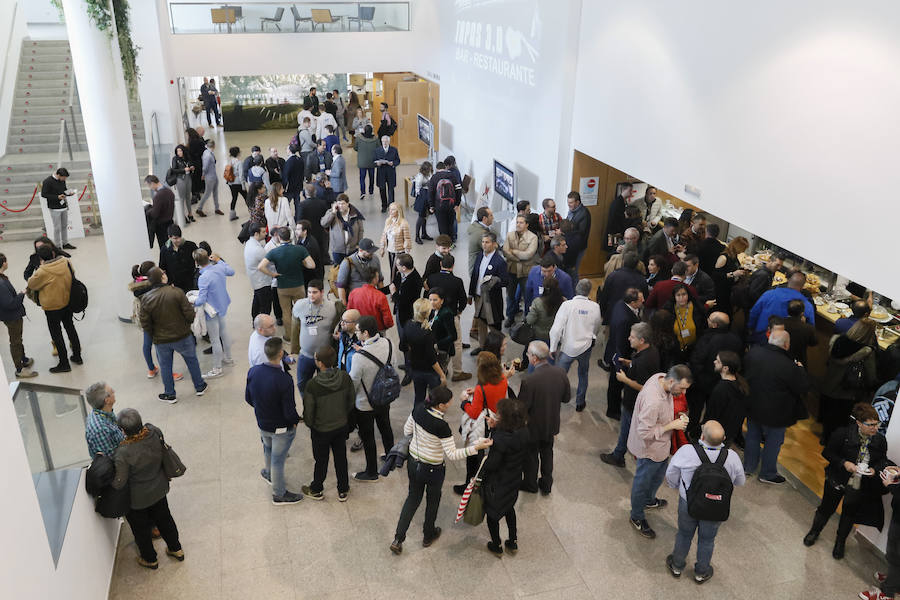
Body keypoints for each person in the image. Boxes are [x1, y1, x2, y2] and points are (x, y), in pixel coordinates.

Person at [390, 385, 492, 555]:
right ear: (441, 405)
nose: (451, 405)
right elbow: (452, 454)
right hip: (433, 469)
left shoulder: (418, 410)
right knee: (432, 500)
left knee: (412, 499)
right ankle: (428, 534)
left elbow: (407, 430)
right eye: (449, 403)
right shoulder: (441, 426)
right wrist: (476, 448)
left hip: (414, 463)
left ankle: (398, 538)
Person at [664, 420, 746, 583]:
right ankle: (701, 572)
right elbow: (739, 482)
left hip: (688, 502)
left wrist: (675, 486)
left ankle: (677, 565)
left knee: (684, 534)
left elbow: (671, 473)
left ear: (702, 436)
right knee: (707, 539)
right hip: (715, 506)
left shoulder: (687, 451)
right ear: (723, 439)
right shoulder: (732, 457)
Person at [804, 402, 888, 560]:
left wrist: (874, 470)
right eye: (870, 425)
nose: (875, 428)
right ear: (858, 423)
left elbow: (882, 460)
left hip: (859, 486)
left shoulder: (880, 441)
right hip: (837, 479)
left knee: (849, 514)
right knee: (826, 509)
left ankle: (840, 543)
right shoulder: (842, 434)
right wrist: (844, 463)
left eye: (877, 424)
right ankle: (814, 532)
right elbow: (827, 453)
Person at [111, 408, 183, 569]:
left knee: (141, 530)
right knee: (165, 520)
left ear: (123, 430)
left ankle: (150, 559)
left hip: (138, 500)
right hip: (159, 489)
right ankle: (176, 549)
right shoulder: (154, 432)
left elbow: (120, 482)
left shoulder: (123, 452)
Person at [627, 364, 692, 539]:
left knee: (656, 478)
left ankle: (649, 500)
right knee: (642, 483)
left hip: (662, 447)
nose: (684, 393)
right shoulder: (654, 401)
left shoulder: (660, 377)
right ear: (672, 381)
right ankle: (637, 516)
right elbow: (644, 432)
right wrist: (671, 425)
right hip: (650, 450)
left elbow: (662, 414)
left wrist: (677, 417)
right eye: (683, 388)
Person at [743, 330, 810, 484]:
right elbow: (802, 387)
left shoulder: (754, 353)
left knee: (752, 436)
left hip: (753, 404)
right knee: (773, 442)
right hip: (777, 412)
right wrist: (800, 369)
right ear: (786, 345)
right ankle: (767, 473)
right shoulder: (789, 366)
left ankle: (748, 466)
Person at [245, 337, 303, 505]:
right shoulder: (284, 380)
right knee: (278, 459)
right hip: (281, 428)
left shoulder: (253, 371)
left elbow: (248, 398)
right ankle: (279, 493)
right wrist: (294, 421)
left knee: (267, 448)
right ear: (280, 354)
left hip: (263, 423)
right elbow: (289, 409)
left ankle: (269, 474)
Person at [139, 267, 207, 403]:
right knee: (192, 360)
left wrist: (154, 334)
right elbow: (189, 314)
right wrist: (186, 325)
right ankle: (199, 386)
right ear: (162, 278)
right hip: (183, 335)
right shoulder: (176, 292)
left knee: (165, 366)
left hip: (161, 340)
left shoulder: (146, 299)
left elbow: (145, 323)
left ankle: (170, 394)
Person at [602, 322, 661, 468]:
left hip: (634, 403)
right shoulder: (649, 351)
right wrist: (628, 363)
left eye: (632, 337)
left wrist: (625, 379)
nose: (629, 338)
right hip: (634, 401)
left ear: (642, 340)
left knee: (626, 429)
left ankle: (618, 456)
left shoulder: (644, 361)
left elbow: (643, 386)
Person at [301, 346, 355, 501]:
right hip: (341, 426)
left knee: (321, 460)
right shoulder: (344, 377)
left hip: (321, 430)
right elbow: (351, 401)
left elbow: (309, 413)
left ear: (320, 363)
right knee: (341, 457)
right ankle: (343, 489)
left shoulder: (312, 385)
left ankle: (317, 489)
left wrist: (312, 425)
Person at [452, 351, 509, 495]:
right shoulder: (503, 378)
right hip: (496, 421)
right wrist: (476, 393)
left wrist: (464, 401)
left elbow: (474, 412)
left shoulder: (481, 387)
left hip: (482, 426)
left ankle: (469, 486)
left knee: (474, 457)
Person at [518, 341, 570, 494]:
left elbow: (522, 408)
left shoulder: (529, 381)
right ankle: (546, 484)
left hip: (533, 426)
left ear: (534, 358)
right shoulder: (561, 373)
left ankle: (530, 484)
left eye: (528, 353)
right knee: (547, 452)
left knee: (531, 455)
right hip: (551, 423)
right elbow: (566, 398)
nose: (527, 356)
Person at [483, 397, 530, 556]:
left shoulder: (500, 440)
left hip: (498, 483)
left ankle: (496, 545)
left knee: (492, 515)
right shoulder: (524, 431)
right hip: (514, 479)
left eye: (499, 414)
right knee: (509, 508)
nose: (496, 415)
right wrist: (497, 428)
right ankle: (513, 540)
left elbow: (491, 464)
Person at [350, 315, 394, 482]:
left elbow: (353, 383)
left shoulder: (358, 358)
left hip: (365, 403)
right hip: (384, 398)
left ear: (366, 333)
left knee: (368, 438)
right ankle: (391, 457)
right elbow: (392, 365)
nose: (356, 334)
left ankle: (371, 472)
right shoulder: (388, 343)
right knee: (385, 427)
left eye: (358, 332)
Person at [819, 319, 879, 443]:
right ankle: (833, 442)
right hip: (846, 391)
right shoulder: (866, 352)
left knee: (828, 415)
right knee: (840, 420)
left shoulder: (837, 341)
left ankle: (824, 437)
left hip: (828, 385)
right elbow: (871, 375)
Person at [26, 245, 81, 373]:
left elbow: (31, 284)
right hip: (67, 302)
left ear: (41, 258)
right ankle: (77, 356)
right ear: (53, 253)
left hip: (52, 308)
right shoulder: (66, 262)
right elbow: (73, 274)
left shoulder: (42, 271)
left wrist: (40, 266)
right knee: (70, 328)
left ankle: (64, 363)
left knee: (57, 334)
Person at [549, 279, 602, 412]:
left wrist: (553, 348)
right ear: (589, 291)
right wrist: (592, 336)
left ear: (576, 289)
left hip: (568, 347)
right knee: (583, 374)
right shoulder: (595, 307)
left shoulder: (567, 305)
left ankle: (554, 400)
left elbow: (556, 329)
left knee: (559, 376)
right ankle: (580, 402)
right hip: (586, 347)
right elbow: (597, 326)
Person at [257, 228, 315, 342]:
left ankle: (289, 336)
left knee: (286, 313)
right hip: (298, 286)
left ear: (279, 237)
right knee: (302, 311)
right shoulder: (300, 249)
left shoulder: (274, 252)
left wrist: (273, 274)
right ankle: (303, 335)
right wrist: (302, 263)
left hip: (283, 287)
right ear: (291, 237)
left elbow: (260, 267)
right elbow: (312, 265)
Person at [688, 312, 742, 429]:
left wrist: (699, 379)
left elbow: (696, 361)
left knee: (696, 410)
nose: (707, 320)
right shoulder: (736, 340)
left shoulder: (706, 339)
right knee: (715, 413)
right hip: (723, 382)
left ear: (714, 325)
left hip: (703, 383)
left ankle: (692, 431)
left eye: (710, 319)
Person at [424, 254, 470, 381]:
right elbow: (463, 300)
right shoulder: (457, 281)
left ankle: (439, 368)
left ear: (440, 264)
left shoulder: (432, 278)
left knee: (436, 341)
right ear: (453, 266)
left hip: (435, 316)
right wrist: (459, 311)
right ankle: (457, 371)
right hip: (451, 315)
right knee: (456, 342)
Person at [601, 287, 645, 417]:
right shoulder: (626, 319)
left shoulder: (621, 304)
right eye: (641, 299)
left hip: (614, 348)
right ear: (632, 303)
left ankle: (614, 406)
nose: (644, 300)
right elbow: (622, 342)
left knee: (615, 384)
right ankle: (613, 411)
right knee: (616, 384)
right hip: (620, 355)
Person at [192, 249, 234, 379]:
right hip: (222, 305)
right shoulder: (219, 267)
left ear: (196, 262)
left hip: (211, 311)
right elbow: (231, 271)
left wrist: (192, 301)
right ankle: (228, 358)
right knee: (224, 332)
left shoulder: (203, 278)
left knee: (215, 339)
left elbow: (202, 299)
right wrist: (219, 260)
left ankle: (217, 368)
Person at [290, 280, 338, 393]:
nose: (311, 295)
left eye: (315, 292)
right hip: (306, 355)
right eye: (309, 292)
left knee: (326, 387)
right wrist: (294, 348)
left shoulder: (333, 308)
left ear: (322, 292)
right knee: (302, 385)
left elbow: (338, 326)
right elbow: (295, 327)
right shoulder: (299, 305)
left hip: (325, 357)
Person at [748, 269, 815, 343]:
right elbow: (810, 331)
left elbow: (754, 312)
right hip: (785, 346)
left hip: (761, 338)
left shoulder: (769, 294)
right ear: (802, 287)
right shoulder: (807, 306)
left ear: (788, 281)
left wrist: (750, 329)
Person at [469, 231, 508, 350]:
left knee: (493, 324)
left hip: (491, 299)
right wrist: (470, 294)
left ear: (494, 244)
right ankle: (482, 347)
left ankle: (495, 349)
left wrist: (493, 282)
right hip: (478, 296)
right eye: (483, 242)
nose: (484, 245)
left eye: (487, 242)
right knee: (481, 324)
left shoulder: (499, 261)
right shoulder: (480, 255)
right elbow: (475, 275)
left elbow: (505, 281)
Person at [402, 298, 445, 405]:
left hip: (415, 367)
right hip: (429, 371)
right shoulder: (427, 333)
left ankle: (417, 417)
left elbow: (402, 346)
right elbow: (432, 359)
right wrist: (442, 375)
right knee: (434, 398)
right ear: (428, 312)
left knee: (419, 397)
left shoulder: (408, 325)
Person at [0, 254, 36, 378]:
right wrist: (22, 294)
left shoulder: (3, 278)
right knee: (15, 341)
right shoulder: (1, 283)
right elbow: (10, 303)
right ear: (3, 263)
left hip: (12, 315)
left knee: (18, 338)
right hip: (11, 317)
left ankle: (23, 359)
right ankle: (19, 369)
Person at [702, 350, 749, 446]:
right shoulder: (741, 384)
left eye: (718, 361)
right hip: (730, 433)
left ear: (725, 368)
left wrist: (703, 430)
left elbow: (712, 415)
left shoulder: (721, 389)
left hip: (716, 435)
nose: (714, 361)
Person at [503, 215, 540, 327]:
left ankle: (528, 318)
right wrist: (518, 256)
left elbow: (529, 254)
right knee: (511, 295)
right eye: (517, 222)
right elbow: (505, 251)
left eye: (521, 222)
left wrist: (513, 252)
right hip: (512, 271)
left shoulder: (533, 237)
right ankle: (510, 317)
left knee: (527, 295)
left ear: (527, 224)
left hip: (526, 272)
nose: (518, 224)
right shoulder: (510, 235)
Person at [390, 253, 422, 379]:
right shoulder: (401, 274)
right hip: (400, 313)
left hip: (408, 316)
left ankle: (410, 370)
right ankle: (407, 363)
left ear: (404, 267)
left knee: (407, 342)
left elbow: (403, 301)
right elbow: (393, 286)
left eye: (397, 265)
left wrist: (394, 294)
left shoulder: (414, 280)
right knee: (403, 341)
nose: (396, 267)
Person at [598, 252, 648, 322]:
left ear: (623, 262)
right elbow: (644, 299)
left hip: (612, 315)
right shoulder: (642, 279)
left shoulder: (612, 276)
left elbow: (604, 296)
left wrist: (602, 312)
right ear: (637, 264)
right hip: (632, 318)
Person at [335, 238, 382, 304]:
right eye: (369, 251)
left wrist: (381, 298)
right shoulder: (347, 262)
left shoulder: (375, 259)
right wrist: (344, 306)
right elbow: (340, 286)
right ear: (360, 250)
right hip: (355, 300)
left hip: (371, 299)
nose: (372, 253)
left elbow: (380, 280)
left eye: (373, 251)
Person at [321, 194, 365, 265]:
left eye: (343, 203)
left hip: (352, 249)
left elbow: (360, 230)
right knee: (339, 271)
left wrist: (359, 244)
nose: (341, 206)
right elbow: (323, 223)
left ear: (347, 204)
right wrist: (333, 213)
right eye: (339, 204)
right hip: (338, 250)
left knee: (352, 271)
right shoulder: (332, 212)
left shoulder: (355, 213)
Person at [525, 276, 565, 354]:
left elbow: (529, 321)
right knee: (551, 356)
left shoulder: (537, 302)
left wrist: (531, 311)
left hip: (539, 335)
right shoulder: (563, 302)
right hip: (555, 335)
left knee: (536, 357)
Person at [711, 236, 749, 315]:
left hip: (729, 289)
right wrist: (733, 274)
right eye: (743, 248)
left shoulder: (734, 256)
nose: (743, 251)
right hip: (721, 291)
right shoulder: (723, 258)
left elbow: (734, 267)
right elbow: (716, 276)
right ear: (737, 247)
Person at [348, 266, 393, 333]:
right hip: (377, 330)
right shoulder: (380, 296)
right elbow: (387, 318)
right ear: (374, 279)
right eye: (377, 276)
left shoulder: (353, 293)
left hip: (359, 329)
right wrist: (388, 325)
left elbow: (349, 312)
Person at [84, 382, 124, 456]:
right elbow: (111, 458)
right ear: (107, 400)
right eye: (112, 391)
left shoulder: (103, 412)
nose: (114, 392)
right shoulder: (100, 430)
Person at [41, 167, 77, 250]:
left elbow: (64, 190)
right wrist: (57, 197)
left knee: (64, 225)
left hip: (63, 206)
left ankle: (65, 243)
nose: (64, 179)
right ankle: (57, 246)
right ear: (58, 175)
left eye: (65, 178)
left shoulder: (62, 180)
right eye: (63, 177)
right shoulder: (47, 181)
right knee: (57, 228)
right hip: (54, 208)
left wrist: (69, 193)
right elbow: (44, 194)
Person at [243, 223, 273, 320]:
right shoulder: (257, 250)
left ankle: (255, 320)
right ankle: (264, 325)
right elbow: (270, 262)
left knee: (257, 301)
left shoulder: (249, 243)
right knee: (265, 306)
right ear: (256, 234)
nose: (266, 233)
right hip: (263, 281)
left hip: (255, 280)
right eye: (263, 232)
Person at [428, 161, 463, 240]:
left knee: (442, 224)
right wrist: (457, 203)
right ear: (445, 168)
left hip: (439, 206)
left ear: (437, 169)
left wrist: (431, 206)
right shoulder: (452, 175)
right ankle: (451, 241)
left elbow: (430, 192)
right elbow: (459, 189)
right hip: (451, 205)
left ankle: (444, 242)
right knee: (450, 224)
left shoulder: (434, 177)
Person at [159, 225, 198, 293]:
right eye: (175, 238)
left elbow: (200, 257)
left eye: (179, 237)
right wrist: (168, 284)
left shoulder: (190, 245)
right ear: (169, 237)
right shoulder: (164, 250)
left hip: (190, 281)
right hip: (175, 285)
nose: (178, 240)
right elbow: (162, 267)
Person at [144, 175, 176, 254]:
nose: (150, 188)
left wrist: (149, 211)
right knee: (170, 245)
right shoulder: (169, 191)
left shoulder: (158, 196)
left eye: (148, 185)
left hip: (161, 226)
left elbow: (155, 214)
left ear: (152, 183)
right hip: (170, 222)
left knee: (164, 247)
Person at [380, 202, 412, 278]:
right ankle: (393, 285)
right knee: (392, 270)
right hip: (390, 251)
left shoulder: (404, 223)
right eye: (390, 209)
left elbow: (407, 238)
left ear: (398, 211)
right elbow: (384, 235)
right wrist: (382, 247)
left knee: (398, 271)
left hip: (399, 252)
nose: (390, 211)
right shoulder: (388, 221)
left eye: (393, 210)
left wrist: (407, 252)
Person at [783, 299, 818, 366]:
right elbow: (813, 343)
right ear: (802, 313)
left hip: (781, 357)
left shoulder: (779, 323)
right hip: (798, 360)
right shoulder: (808, 328)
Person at [565, 191, 591, 277]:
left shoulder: (584, 213)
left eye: (571, 202)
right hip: (570, 245)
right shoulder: (571, 211)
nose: (569, 205)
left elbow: (581, 232)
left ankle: (573, 290)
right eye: (568, 202)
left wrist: (564, 231)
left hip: (578, 247)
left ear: (577, 202)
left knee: (573, 271)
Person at [374, 135, 400, 212]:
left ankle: (391, 206)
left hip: (390, 172)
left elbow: (398, 160)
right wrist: (377, 164)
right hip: (381, 172)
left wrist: (393, 163)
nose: (384, 143)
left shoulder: (394, 150)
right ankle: (384, 205)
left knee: (391, 189)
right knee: (382, 189)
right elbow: (373, 160)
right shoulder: (377, 150)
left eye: (386, 141)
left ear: (389, 142)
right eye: (383, 141)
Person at [196, 139, 222, 217]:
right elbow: (205, 167)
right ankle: (199, 209)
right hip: (210, 177)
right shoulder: (207, 155)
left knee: (215, 192)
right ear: (214, 146)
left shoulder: (208, 152)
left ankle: (217, 208)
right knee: (207, 193)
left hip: (213, 175)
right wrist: (203, 175)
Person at [295, 219, 324, 285]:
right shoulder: (300, 239)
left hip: (313, 277)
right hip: (307, 275)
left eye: (298, 229)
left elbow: (308, 262)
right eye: (296, 229)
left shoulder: (311, 244)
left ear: (305, 231)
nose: (296, 231)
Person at [171, 145, 195, 223]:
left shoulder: (187, 157)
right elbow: (174, 170)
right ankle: (182, 216)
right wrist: (183, 170)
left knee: (188, 197)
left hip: (188, 178)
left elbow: (191, 164)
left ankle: (190, 214)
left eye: (180, 151)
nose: (179, 153)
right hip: (180, 179)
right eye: (177, 151)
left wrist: (192, 167)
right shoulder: (175, 159)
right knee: (182, 198)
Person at [354, 124, 378, 199]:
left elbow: (355, 148)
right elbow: (378, 148)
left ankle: (362, 192)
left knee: (362, 177)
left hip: (362, 162)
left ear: (364, 130)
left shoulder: (359, 138)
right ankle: (371, 191)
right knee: (371, 177)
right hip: (372, 161)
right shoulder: (376, 139)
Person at [468, 207, 495, 272]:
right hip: (478, 269)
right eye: (491, 215)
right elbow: (492, 249)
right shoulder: (481, 234)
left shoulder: (475, 226)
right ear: (484, 219)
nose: (493, 218)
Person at [412, 161, 434, 244]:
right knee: (421, 217)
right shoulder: (420, 176)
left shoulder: (429, 174)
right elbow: (418, 190)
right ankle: (417, 236)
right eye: (429, 169)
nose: (431, 170)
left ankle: (424, 233)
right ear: (425, 169)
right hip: (422, 198)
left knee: (426, 216)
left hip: (428, 197)